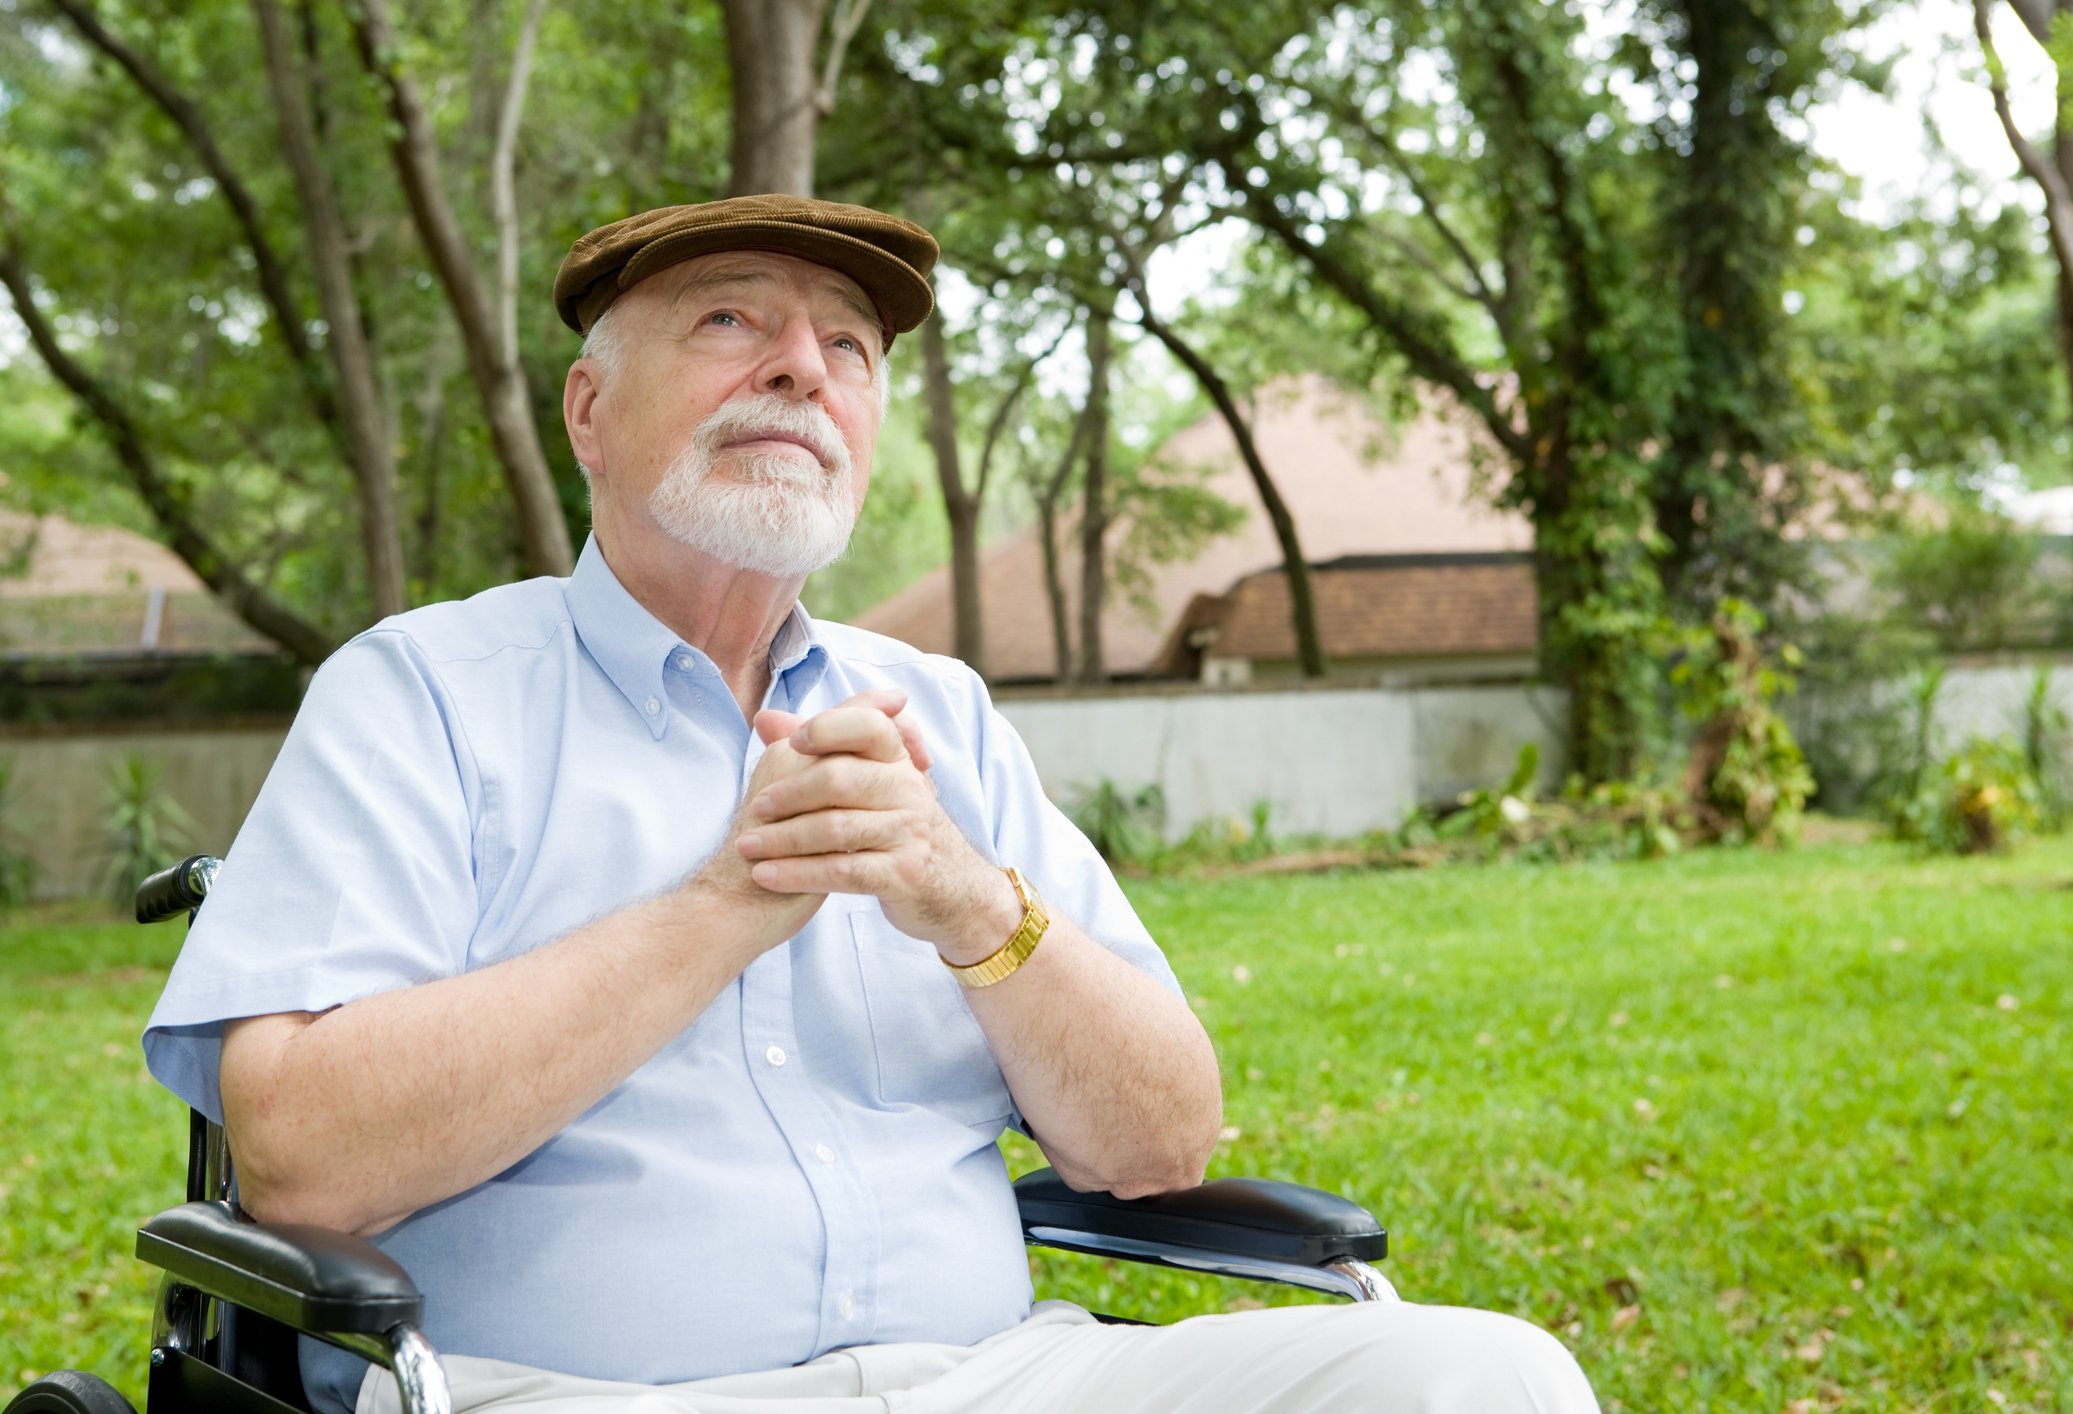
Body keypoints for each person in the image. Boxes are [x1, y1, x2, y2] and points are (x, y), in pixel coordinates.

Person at [143, 195, 1600, 1414]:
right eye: (731, 320)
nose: (801, 368)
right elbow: (304, 1161)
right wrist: (728, 900)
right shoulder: (425, 692)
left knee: (1484, 1375)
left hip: (997, 1376)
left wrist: (973, 903)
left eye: (846, 346)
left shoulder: (941, 712)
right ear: (590, 408)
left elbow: (1161, 1139)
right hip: (582, 1388)